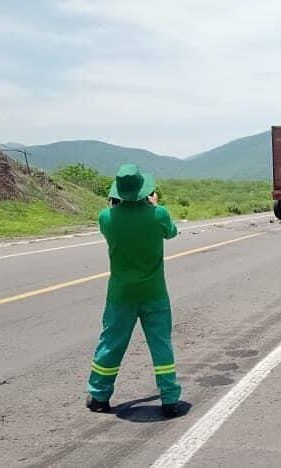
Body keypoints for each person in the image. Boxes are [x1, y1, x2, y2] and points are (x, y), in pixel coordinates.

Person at [86, 163, 183, 418]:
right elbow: (171, 233)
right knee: (161, 345)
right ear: (145, 191)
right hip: (154, 293)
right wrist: (153, 207)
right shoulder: (159, 214)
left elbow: (110, 220)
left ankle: (99, 395)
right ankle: (170, 399)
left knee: (110, 344)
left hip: (120, 294)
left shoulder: (106, 217)